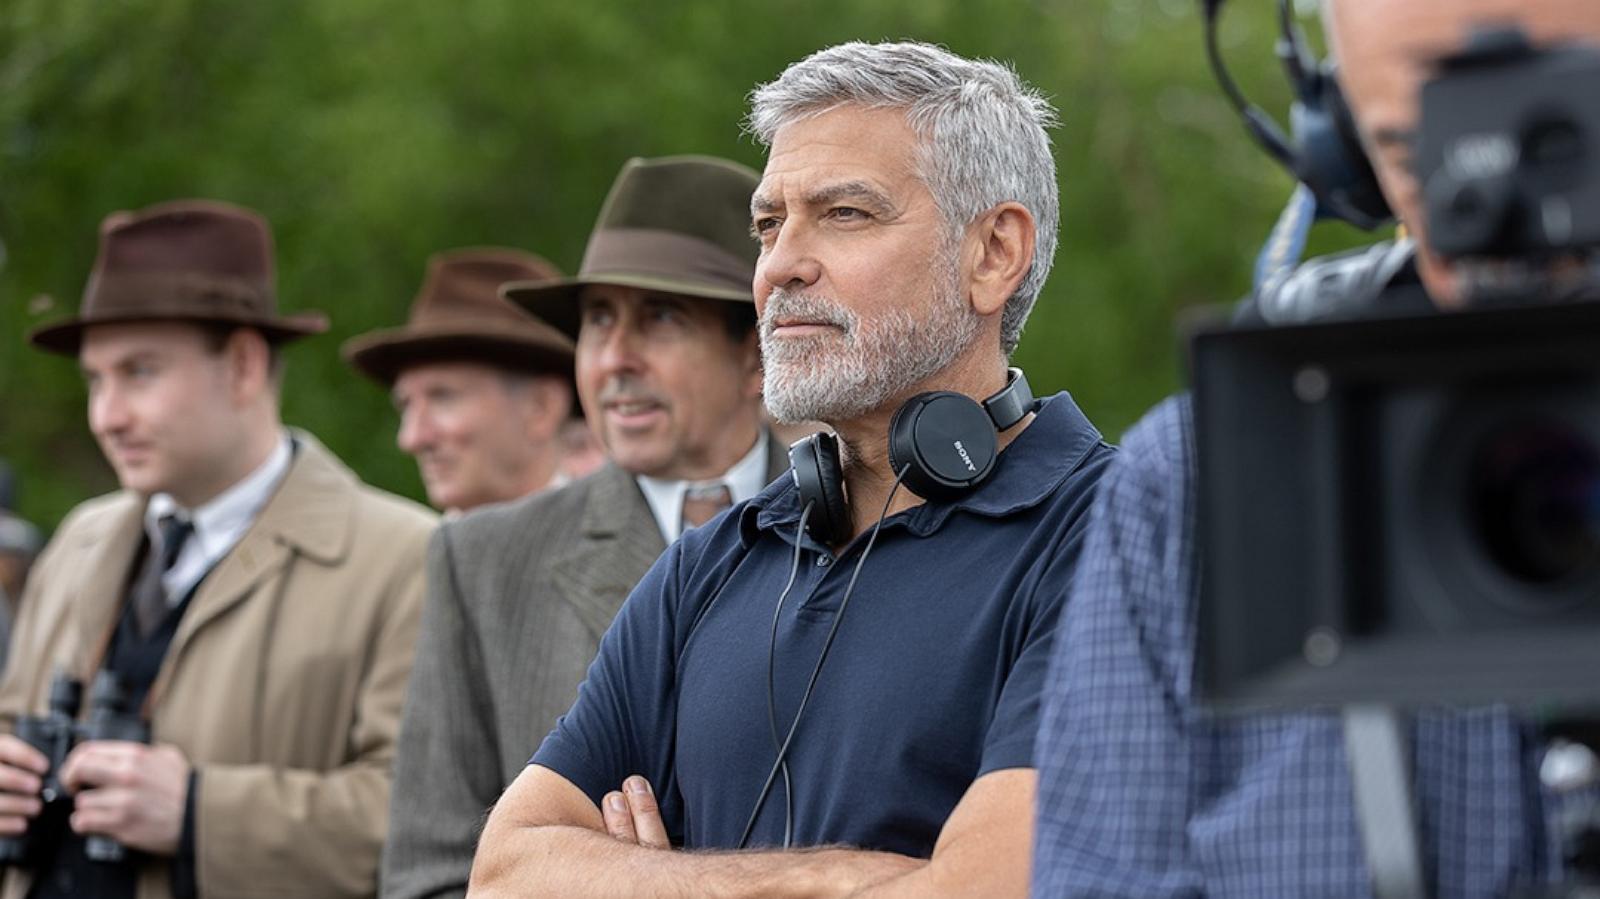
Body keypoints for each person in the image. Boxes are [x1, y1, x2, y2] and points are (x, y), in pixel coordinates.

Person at [467, 42, 1115, 899]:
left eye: (844, 213)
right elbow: (506, 872)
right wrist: (837, 877)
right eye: (769, 224)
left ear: (994, 251)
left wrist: (653, 880)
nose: (779, 266)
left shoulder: (1113, 537)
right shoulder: (713, 560)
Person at [1030, 2, 1600, 897]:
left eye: (1564, 127)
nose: (1499, 208)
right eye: (1418, 157)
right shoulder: (1194, 481)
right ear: (1344, 153)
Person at [0, 200, 436, 899]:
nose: (106, 415)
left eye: (139, 372)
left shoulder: (406, 559)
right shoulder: (77, 541)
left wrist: (200, 812)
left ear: (241, 365)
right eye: (95, 379)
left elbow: (431, 818)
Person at [380, 155, 789, 899]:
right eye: (599, 320)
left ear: (757, 351)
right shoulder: (482, 559)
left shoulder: (874, 518)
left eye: (661, 319)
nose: (614, 360)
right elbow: (427, 873)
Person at [343, 248, 585, 514]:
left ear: (542, 407)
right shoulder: (404, 553)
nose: (412, 438)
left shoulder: (629, 550)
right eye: (405, 405)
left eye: (442, 397)